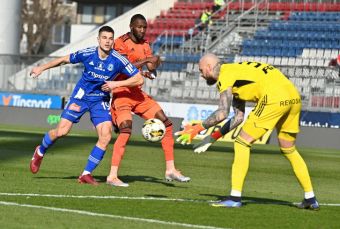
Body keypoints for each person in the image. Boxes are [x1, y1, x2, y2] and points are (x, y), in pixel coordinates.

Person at [176, 53, 319, 210]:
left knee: (241, 143)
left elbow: (222, 113)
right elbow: (238, 118)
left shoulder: (225, 75)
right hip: (293, 97)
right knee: (288, 149)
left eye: (201, 70)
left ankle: (234, 197)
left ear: (209, 67)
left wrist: (196, 129)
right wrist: (212, 138)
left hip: (273, 98)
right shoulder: (238, 73)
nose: (201, 75)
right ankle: (310, 198)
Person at [29, 26, 144, 186]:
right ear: (98, 39)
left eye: (110, 38)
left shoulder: (118, 59)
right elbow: (63, 60)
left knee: (106, 135)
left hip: (100, 100)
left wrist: (116, 84)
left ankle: (86, 174)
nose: (107, 41)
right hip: (81, 96)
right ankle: (40, 150)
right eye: (104, 38)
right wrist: (41, 68)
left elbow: (139, 79)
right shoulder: (88, 53)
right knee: (62, 131)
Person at [106, 14, 190, 187]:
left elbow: (150, 67)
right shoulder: (120, 43)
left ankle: (170, 169)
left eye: (144, 27)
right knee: (126, 131)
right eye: (139, 27)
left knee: (166, 124)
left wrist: (153, 66)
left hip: (137, 92)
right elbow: (121, 66)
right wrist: (146, 61)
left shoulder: (145, 45)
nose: (142, 30)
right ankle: (112, 176)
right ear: (131, 26)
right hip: (121, 92)